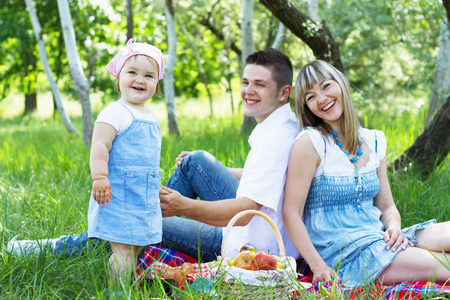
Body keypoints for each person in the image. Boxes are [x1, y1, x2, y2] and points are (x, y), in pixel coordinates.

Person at [7, 48, 301, 263]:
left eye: (259, 85)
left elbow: (243, 215)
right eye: (246, 82)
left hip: (241, 240)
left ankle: (59, 248)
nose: (248, 90)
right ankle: (134, 215)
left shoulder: (273, 142)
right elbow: (264, 179)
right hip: (254, 223)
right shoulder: (283, 123)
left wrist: (183, 206)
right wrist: (217, 167)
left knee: (136, 221)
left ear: (284, 92)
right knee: (195, 161)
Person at [283, 60, 450, 287]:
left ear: (341, 84)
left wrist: (393, 227)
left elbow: (387, 205)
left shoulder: (374, 139)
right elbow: (291, 212)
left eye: (325, 86)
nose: (321, 99)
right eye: (310, 96)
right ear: (306, 107)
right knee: (445, 264)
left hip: (380, 238)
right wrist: (318, 266)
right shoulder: (311, 142)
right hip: (350, 254)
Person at [89, 38, 164, 280]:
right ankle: (117, 292)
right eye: (132, 72)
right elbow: (100, 145)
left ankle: (126, 285)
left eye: (149, 76)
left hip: (142, 195)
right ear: (118, 77)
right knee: (123, 248)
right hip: (118, 193)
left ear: (157, 83)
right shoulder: (115, 111)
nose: (140, 80)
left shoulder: (150, 114)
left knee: (133, 248)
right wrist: (100, 176)